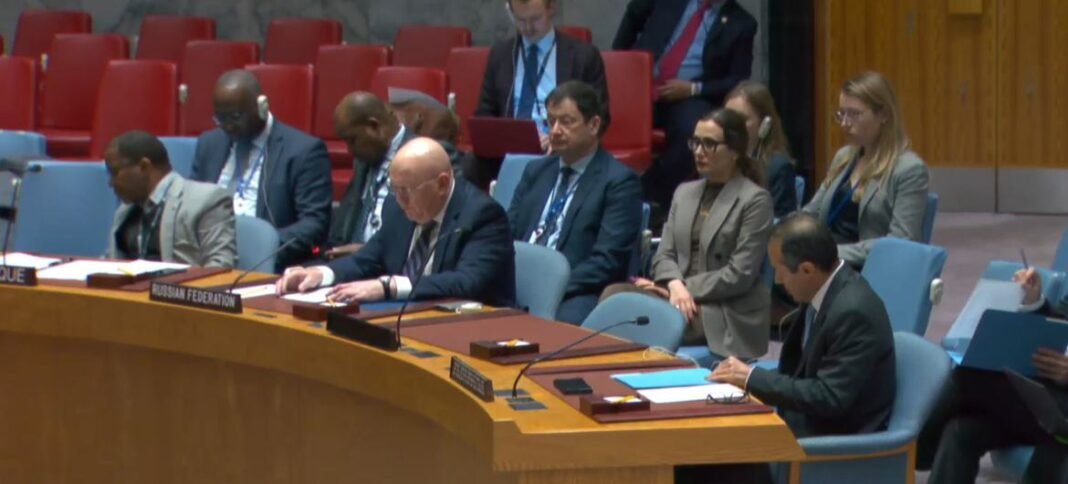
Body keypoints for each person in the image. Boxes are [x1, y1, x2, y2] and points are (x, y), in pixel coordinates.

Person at [604, 108, 773, 360]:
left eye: (710, 144)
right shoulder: (684, 192)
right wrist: (673, 285)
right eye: (695, 142)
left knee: (628, 313)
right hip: (677, 297)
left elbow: (739, 275)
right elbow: (664, 255)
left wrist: (683, 289)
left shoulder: (755, 200)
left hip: (723, 310)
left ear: (735, 151)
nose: (698, 151)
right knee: (614, 295)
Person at [710, 213, 896, 438]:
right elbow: (800, 373)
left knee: (721, 450)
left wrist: (752, 378)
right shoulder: (821, 289)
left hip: (836, 443)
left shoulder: (853, 311)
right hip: (804, 422)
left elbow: (830, 396)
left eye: (779, 270)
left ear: (807, 270)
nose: (777, 280)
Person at [275, 137, 516, 308]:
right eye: (395, 189)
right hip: (408, 319)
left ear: (442, 184)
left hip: (473, 329)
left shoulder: (482, 215)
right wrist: (321, 273)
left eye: (407, 190)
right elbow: (368, 258)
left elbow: (466, 282)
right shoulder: (398, 207)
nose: (400, 200)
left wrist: (388, 287)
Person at [507, 81, 642, 324]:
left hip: (575, 291)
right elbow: (508, 233)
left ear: (593, 125)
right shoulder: (535, 171)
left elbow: (606, 263)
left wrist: (547, 283)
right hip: (517, 283)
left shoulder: (619, 182)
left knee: (552, 332)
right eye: (551, 121)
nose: (555, 130)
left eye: (567, 122)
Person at [919, 267, 1068, 484]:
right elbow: (1060, 324)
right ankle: (915, 447)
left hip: (1060, 408)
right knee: (961, 430)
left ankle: (915, 446)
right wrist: (1034, 302)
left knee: (971, 374)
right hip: (1050, 395)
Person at [612, 0, 758, 219]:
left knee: (693, 131)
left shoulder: (741, 23)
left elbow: (737, 79)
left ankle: (654, 200)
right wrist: (624, 62)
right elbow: (634, 14)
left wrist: (693, 88)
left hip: (687, 96)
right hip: (639, 88)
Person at [190, 69, 332, 270]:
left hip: (265, 265)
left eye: (236, 116)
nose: (228, 126)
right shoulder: (209, 143)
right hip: (206, 259)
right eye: (221, 118)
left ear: (262, 107)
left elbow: (314, 225)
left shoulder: (303, 151)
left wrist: (258, 246)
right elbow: (191, 205)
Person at [802, 71, 929, 268]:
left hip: (867, 269)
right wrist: (782, 232)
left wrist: (833, 254)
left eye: (854, 114)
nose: (844, 123)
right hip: (825, 263)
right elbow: (812, 212)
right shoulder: (843, 157)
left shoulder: (909, 169)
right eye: (841, 114)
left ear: (884, 114)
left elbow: (901, 241)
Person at [476, 0, 609, 149]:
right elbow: (484, 114)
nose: (528, 28)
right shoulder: (501, 55)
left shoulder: (583, 56)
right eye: (520, 20)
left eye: (535, 19)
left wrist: (560, 138)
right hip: (509, 150)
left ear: (551, 8)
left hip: (562, 148)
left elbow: (600, 117)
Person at [105, 130, 236, 268]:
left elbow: (221, 266)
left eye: (115, 172)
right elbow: (110, 262)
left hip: (179, 287)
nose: (111, 183)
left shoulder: (206, 200)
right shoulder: (125, 212)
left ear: (144, 166)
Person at [327, 92, 416, 259]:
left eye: (352, 140)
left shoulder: (423, 155)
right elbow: (344, 224)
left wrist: (369, 251)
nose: (350, 151)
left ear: (374, 127)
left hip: (392, 268)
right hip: (350, 265)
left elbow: (426, 237)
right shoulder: (365, 159)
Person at [725, 81, 798, 218]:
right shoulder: (718, 161)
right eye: (727, 118)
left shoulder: (778, 168)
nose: (732, 126)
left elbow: (782, 222)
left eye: (742, 119)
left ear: (764, 124)